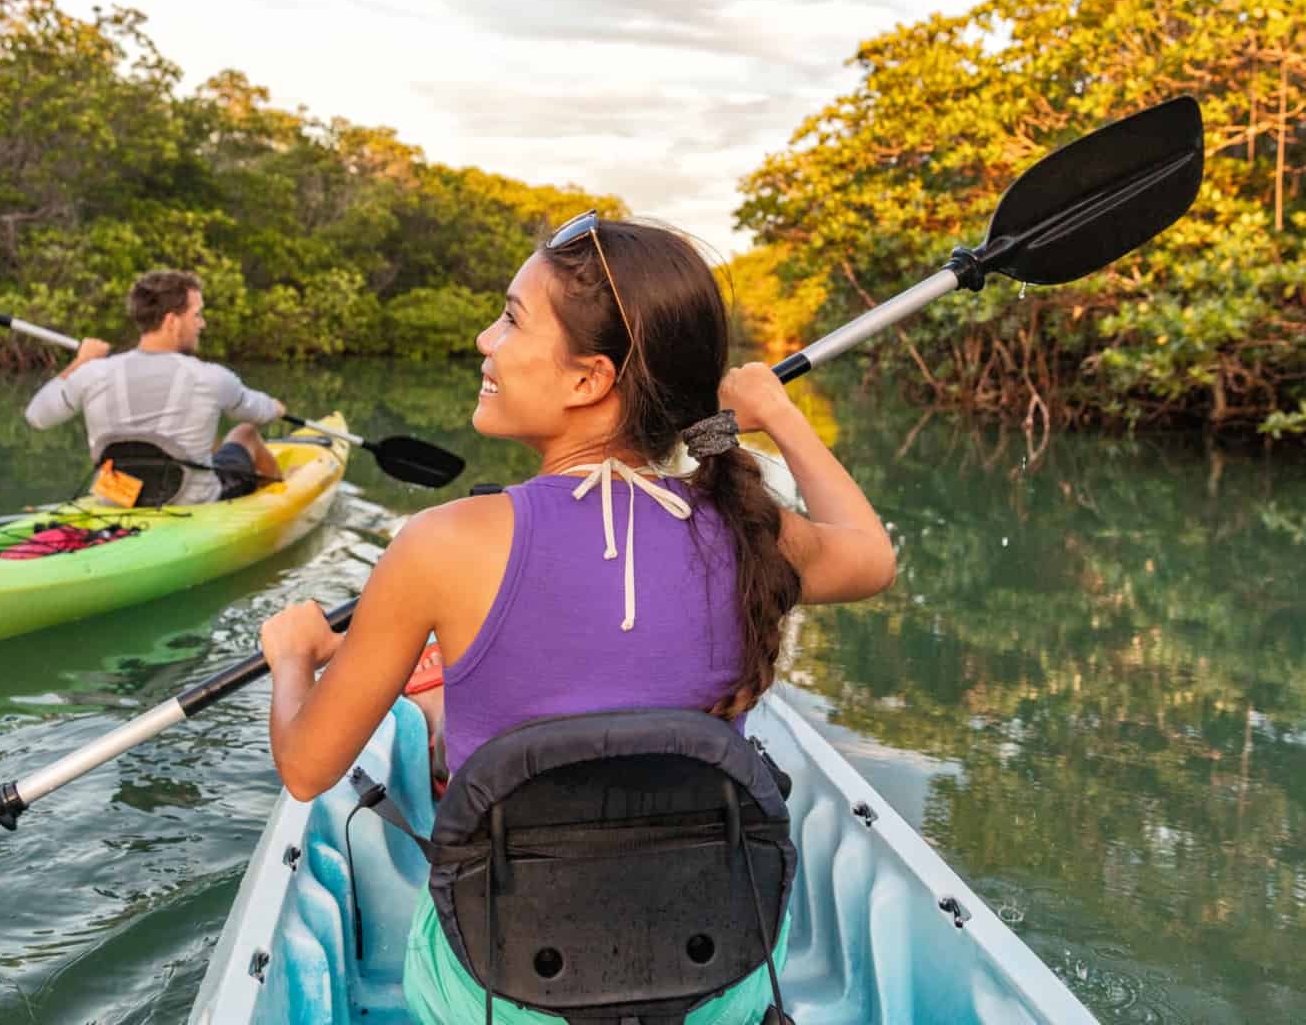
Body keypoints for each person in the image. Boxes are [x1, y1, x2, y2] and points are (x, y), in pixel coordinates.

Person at [257, 213, 897, 1023]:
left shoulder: (442, 543)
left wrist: (292, 656)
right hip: (713, 984)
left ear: (589, 378)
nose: (486, 341)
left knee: (437, 714)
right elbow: (871, 556)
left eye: (512, 319)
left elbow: (308, 769)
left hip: (501, 995)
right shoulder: (748, 528)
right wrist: (774, 412)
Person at [24, 269, 287, 505]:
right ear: (172, 322)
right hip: (190, 501)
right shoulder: (211, 378)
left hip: (116, 499)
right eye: (196, 315)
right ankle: (282, 505)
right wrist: (275, 408)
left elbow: (37, 416)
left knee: (209, 445)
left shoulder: (93, 373)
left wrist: (80, 362)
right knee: (245, 433)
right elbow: (259, 412)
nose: (202, 324)